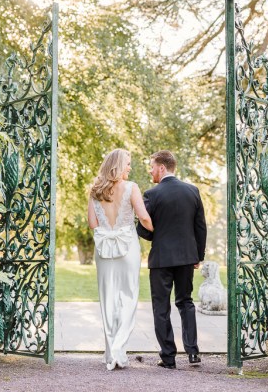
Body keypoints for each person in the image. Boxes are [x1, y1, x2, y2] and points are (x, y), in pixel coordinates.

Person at [136, 150, 207, 369]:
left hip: (161, 260)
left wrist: (148, 228)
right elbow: (200, 227)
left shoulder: (151, 194)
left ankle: (168, 357)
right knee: (186, 302)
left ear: (162, 168)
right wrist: (198, 256)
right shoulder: (192, 191)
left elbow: (146, 231)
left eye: (152, 166)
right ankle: (193, 352)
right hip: (187, 257)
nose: (150, 170)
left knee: (161, 307)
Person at [87, 148, 153, 371]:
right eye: (127, 163)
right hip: (127, 247)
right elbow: (143, 217)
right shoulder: (131, 187)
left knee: (108, 299)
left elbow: (92, 224)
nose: (129, 167)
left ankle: (109, 355)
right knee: (128, 298)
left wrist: (108, 228)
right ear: (117, 165)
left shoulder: (95, 190)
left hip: (104, 247)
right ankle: (118, 351)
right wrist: (157, 231)